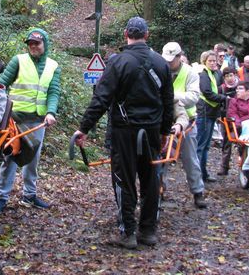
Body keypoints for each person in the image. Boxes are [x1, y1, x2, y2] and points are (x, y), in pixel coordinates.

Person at [73, 17, 173, 249]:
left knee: (123, 179)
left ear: (126, 33)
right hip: (151, 131)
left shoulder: (118, 63)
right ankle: (148, 231)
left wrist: (84, 127)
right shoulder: (161, 63)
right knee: (151, 179)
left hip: (124, 131)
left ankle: (128, 232)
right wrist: (165, 131)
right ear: (147, 35)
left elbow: (101, 98)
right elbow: (168, 101)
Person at [0, 28, 61, 213]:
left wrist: (51, 112)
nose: (33, 47)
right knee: (11, 157)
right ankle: (1, 198)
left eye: (37, 43)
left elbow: (53, 92)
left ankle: (29, 195)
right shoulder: (18, 61)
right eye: (30, 43)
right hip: (15, 119)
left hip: (38, 120)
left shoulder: (53, 66)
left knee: (33, 158)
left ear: (45, 44)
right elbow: (1, 84)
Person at [162, 42, 207, 209]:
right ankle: (160, 190)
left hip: (187, 121)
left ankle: (197, 192)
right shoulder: (160, 69)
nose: (168, 63)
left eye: (171, 60)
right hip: (165, 120)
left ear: (179, 57)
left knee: (190, 159)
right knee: (161, 158)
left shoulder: (190, 73)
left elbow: (194, 96)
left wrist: (172, 97)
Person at [195, 50, 227, 183]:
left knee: (206, 145)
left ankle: (203, 173)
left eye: (214, 61)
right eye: (210, 61)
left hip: (212, 112)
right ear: (204, 62)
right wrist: (224, 98)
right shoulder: (203, 75)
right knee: (201, 146)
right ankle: (197, 175)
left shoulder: (215, 74)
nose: (213, 63)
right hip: (204, 112)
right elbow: (207, 92)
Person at [218, 67, 238, 176]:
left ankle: (244, 165)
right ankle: (224, 167)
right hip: (225, 118)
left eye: (231, 75)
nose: (229, 78)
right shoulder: (221, 88)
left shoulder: (241, 87)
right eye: (226, 76)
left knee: (242, 142)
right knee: (226, 142)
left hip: (240, 118)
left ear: (235, 75)